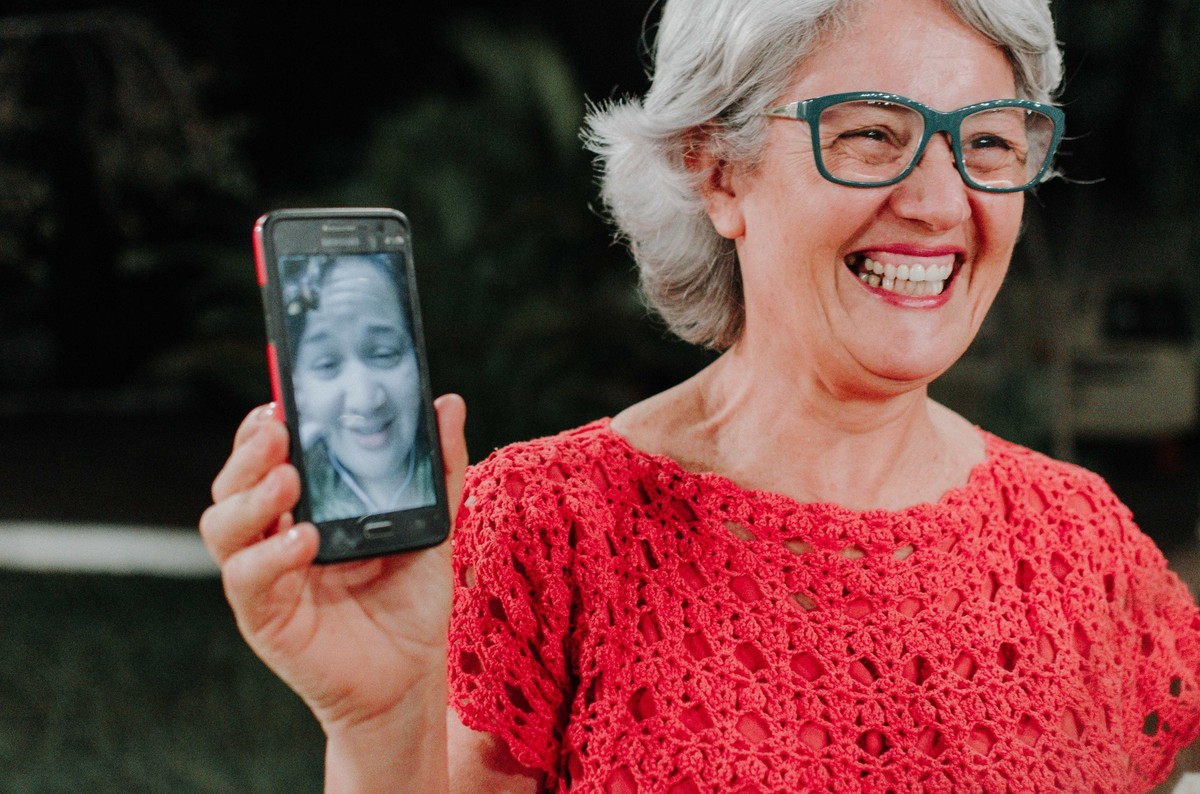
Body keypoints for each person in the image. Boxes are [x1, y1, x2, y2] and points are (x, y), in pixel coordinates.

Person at [199, 0, 1200, 790]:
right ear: (716, 168)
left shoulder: (1084, 548)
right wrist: (381, 727)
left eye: (987, 142)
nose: (941, 202)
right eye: (866, 135)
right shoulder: (553, 527)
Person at [282, 253, 436, 522]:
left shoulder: (467, 495)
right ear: (297, 387)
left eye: (384, 354)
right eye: (327, 363)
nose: (365, 400)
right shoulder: (291, 507)